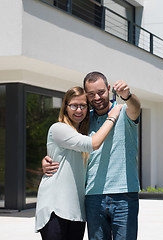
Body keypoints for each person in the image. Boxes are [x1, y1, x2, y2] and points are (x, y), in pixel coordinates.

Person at [42, 72, 141, 240]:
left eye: (101, 92)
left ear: (109, 89)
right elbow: (68, 144)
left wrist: (128, 96)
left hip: (124, 194)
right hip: (92, 196)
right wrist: (47, 159)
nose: (97, 97)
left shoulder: (123, 111)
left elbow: (136, 107)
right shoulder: (84, 121)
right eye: (91, 94)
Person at [36, 86, 122, 240]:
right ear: (65, 107)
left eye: (83, 105)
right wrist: (112, 116)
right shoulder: (58, 128)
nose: (78, 110)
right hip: (56, 208)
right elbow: (94, 143)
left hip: (76, 212)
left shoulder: (83, 134)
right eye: (74, 105)